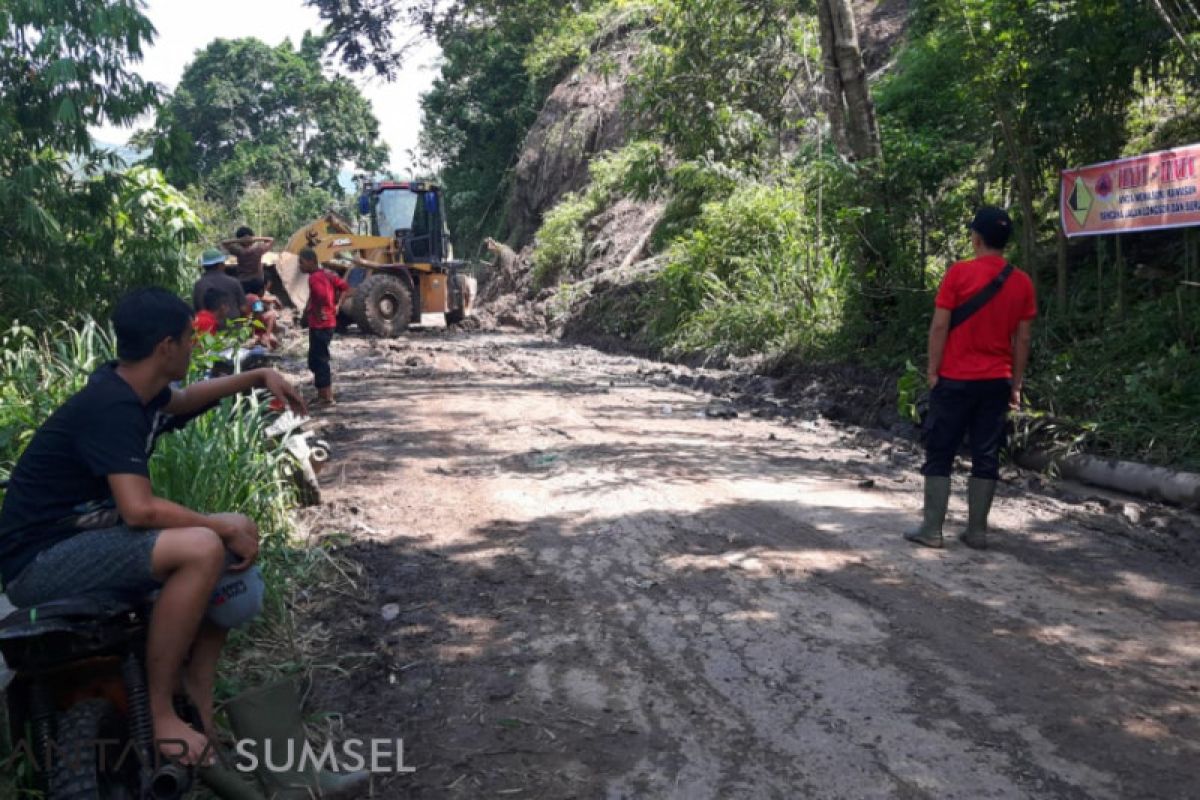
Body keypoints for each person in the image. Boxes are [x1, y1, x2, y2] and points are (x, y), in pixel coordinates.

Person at [0, 288, 306, 765]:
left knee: (222, 550)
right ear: (166, 346)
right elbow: (138, 510)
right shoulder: (112, 407)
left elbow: (182, 401)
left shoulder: (134, 391)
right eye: (188, 339)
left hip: (77, 542)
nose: (191, 347)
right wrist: (216, 524)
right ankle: (161, 713)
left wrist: (258, 376)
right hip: (40, 564)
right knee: (203, 547)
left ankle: (197, 693)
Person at [905, 206, 1036, 550]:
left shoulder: (958, 274)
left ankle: (932, 529)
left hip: (955, 379)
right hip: (996, 382)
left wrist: (933, 371)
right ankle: (977, 530)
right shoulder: (1021, 282)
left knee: (941, 450)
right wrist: (1016, 385)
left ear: (976, 238)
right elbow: (1022, 339)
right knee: (986, 452)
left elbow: (939, 326)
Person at [299, 248, 350, 407]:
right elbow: (345, 287)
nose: (300, 266)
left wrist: (322, 308)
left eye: (301, 262)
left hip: (321, 324)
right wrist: (337, 305)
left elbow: (322, 296)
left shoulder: (315, 278)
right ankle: (322, 393)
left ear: (311, 261)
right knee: (315, 359)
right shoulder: (327, 274)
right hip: (326, 323)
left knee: (319, 360)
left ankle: (326, 397)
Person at [192, 248, 248, 320]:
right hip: (233, 327)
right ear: (220, 265)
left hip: (208, 329)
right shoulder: (233, 282)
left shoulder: (198, 285)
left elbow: (197, 311)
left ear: (204, 266)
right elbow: (243, 309)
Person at [221, 226, 275, 296]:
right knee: (267, 276)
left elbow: (224, 243)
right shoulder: (258, 249)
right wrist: (254, 238)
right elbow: (271, 240)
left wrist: (239, 240)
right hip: (258, 282)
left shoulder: (238, 251)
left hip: (243, 283)